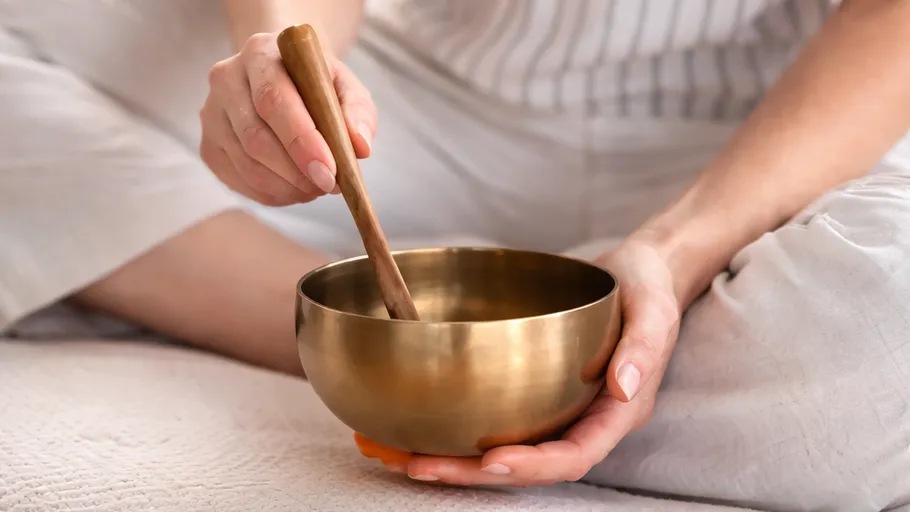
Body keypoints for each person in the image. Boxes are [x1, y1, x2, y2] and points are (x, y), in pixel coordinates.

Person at [2, 0, 910, 509]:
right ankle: (372, 331)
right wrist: (279, 57)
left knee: (887, 320)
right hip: (421, 110)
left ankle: (400, 359)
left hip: (767, 148)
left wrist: (679, 253)